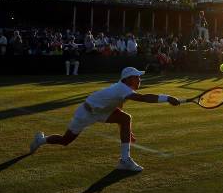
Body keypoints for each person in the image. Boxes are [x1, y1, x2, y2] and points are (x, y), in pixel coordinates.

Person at [29, 67, 180, 171]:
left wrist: (126, 129)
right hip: (86, 113)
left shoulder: (123, 89)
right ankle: (41, 140)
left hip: (102, 112)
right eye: (137, 77)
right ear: (128, 79)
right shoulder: (122, 88)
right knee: (65, 140)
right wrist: (168, 98)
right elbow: (144, 98)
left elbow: (118, 110)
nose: (140, 80)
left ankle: (124, 160)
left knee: (126, 118)